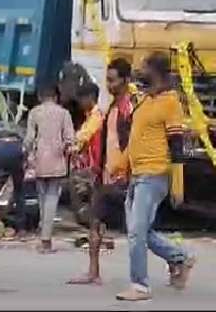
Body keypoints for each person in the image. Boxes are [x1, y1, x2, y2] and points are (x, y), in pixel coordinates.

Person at [114, 52, 195, 302]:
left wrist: (177, 185)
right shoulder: (145, 100)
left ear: (155, 71)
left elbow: (177, 145)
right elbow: (136, 137)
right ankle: (180, 256)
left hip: (154, 174)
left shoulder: (171, 102)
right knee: (141, 231)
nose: (139, 71)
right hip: (138, 174)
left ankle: (140, 285)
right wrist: (120, 166)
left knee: (137, 232)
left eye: (144, 67)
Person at [69, 59, 135, 286]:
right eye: (107, 79)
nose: (109, 84)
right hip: (105, 175)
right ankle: (93, 271)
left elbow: (129, 144)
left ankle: (176, 258)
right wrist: (98, 166)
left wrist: (126, 171)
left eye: (113, 80)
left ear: (125, 81)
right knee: (95, 223)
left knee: (140, 230)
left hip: (121, 177)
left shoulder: (127, 109)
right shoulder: (112, 108)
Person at [24, 80, 75, 253]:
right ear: (56, 96)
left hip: (39, 160)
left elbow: (29, 139)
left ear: (40, 96)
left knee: (42, 198)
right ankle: (46, 239)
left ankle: (43, 234)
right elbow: (70, 138)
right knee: (52, 198)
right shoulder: (64, 114)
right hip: (57, 160)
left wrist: (28, 155)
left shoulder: (34, 113)